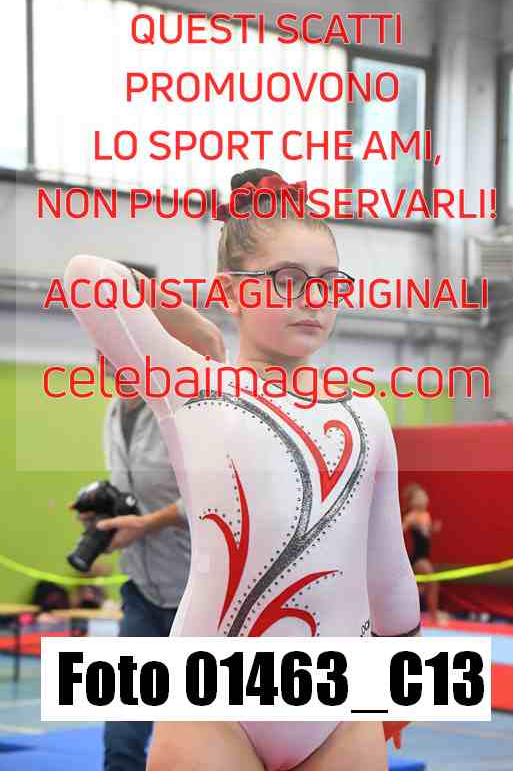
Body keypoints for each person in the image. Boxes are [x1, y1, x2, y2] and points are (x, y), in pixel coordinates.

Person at [64, 168, 421, 771]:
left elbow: (387, 567)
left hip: (340, 707)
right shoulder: (194, 388)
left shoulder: (364, 412)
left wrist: (403, 680)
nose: (313, 298)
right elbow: (87, 277)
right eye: (287, 280)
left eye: (328, 282)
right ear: (232, 291)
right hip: (214, 705)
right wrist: (200, 328)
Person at [71, 290, 225, 771]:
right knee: (121, 737)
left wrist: (149, 523)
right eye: (99, 348)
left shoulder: (187, 405)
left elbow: (216, 494)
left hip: (199, 599)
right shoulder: (114, 411)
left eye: (113, 345)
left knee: (200, 739)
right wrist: (104, 512)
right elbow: (132, 489)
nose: (105, 358)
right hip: (142, 591)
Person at [401, 482, 446, 625]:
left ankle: (424, 613)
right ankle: (434, 617)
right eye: (420, 497)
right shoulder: (411, 516)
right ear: (412, 502)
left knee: (421, 586)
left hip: (425, 556)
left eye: (424, 496)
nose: (424, 499)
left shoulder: (426, 515)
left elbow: (426, 533)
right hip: (418, 558)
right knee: (432, 583)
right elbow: (400, 531)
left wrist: (433, 529)